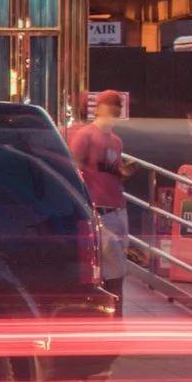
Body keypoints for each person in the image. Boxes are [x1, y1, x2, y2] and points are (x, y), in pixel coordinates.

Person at [65, 90, 129, 284]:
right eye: (110, 105)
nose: (114, 110)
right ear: (99, 108)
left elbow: (110, 170)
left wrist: (122, 172)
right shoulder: (86, 136)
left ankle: (113, 301)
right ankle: (113, 302)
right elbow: (73, 170)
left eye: (116, 106)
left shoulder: (116, 141)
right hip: (99, 210)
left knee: (115, 268)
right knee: (115, 269)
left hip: (117, 209)